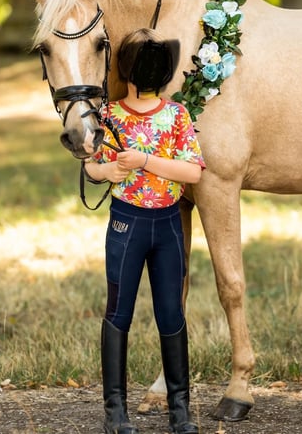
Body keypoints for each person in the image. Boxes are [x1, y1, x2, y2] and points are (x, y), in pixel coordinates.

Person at [85, 28, 206, 434]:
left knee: (171, 313)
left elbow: (192, 172)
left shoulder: (177, 115)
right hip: (127, 223)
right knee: (119, 313)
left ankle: (181, 410)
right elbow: (91, 168)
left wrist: (142, 161)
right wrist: (110, 169)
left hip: (167, 224)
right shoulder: (110, 117)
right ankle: (114, 413)